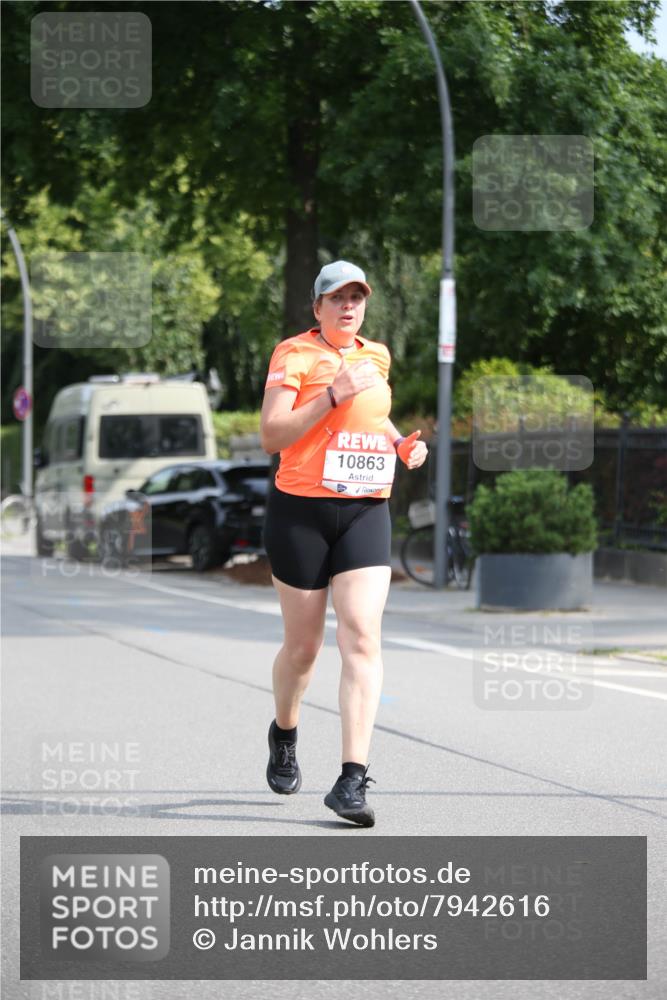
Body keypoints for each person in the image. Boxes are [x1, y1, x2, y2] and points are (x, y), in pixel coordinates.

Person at [260, 260, 427, 827]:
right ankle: (285, 731)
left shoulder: (376, 355)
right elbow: (271, 435)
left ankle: (351, 780)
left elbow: (373, 418)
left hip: (365, 509)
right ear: (318, 307)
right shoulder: (294, 355)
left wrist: (401, 444)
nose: (349, 306)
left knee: (361, 636)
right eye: (337, 298)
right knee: (303, 649)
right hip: (300, 512)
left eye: (357, 297)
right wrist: (330, 393)